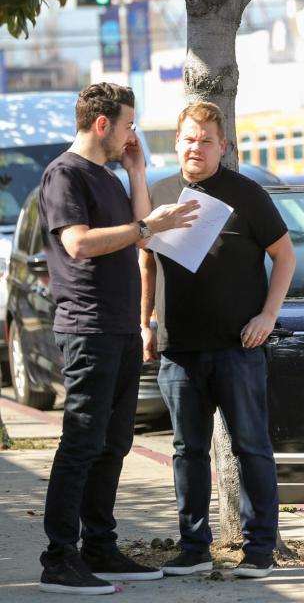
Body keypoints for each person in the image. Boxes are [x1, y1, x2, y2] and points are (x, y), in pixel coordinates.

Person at [37, 83, 200, 595]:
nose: (134, 134)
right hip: (87, 327)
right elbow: (79, 244)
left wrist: (134, 173)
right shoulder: (64, 174)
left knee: (114, 443)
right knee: (82, 443)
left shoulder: (109, 176)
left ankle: (98, 546)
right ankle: (59, 557)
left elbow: (142, 229)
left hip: (120, 327)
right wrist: (141, 227)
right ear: (102, 124)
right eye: (129, 124)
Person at [140, 102, 296, 579]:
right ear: (177, 141)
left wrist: (268, 315)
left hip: (238, 347)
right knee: (188, 451)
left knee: (250, 447)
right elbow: (145, 262)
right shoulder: (160, 194)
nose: (196, 147)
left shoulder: (247, 194)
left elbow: (285, 257)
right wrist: (144, 321)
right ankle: (193, 549)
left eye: (207, 140)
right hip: (179, 350)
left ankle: (259, 549)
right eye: (189, 138)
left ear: (222, 146)